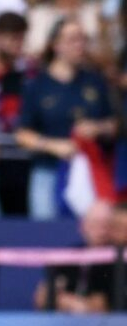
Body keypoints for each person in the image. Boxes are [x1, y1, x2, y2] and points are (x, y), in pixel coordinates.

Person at [15, 19, 115, 221]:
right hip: (49, 171)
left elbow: (116, 124)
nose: (79, 45)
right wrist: (53, 145)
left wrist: (99, 128)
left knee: (93, 231)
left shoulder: (95, 81)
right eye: (72, 40)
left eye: (83, 39)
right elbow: (22, 134)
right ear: (56, 44)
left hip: (90, 172)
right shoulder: (37, 85)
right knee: (46, 234)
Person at [34, 201, 116, 313]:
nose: (101, 231)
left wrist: (63, 300)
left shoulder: (119, 261)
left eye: (106, 225)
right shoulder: (68, 256)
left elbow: (102, 306)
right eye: (95, 224)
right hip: (62, 321)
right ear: (82, 226)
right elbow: (41, 298)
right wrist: (72, 303)